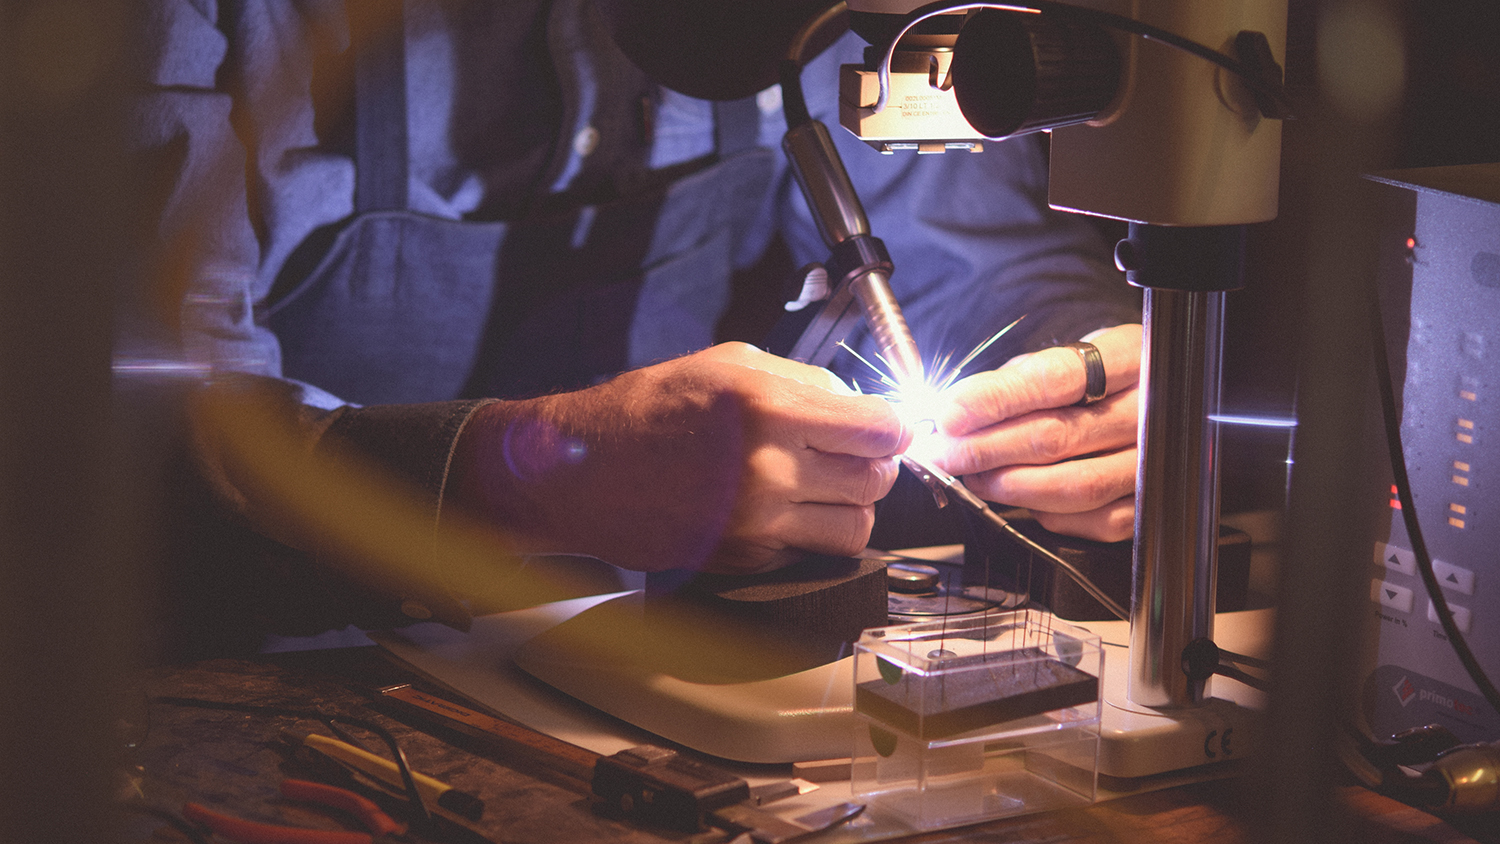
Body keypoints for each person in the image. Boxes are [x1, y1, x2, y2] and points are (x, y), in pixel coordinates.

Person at [130, 0, 1142, 653]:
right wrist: (525, 473)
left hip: (633, 666)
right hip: (247, 676)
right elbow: (123, 444)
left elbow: (981, 261)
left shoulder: (829, 23)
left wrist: (1088, 382)